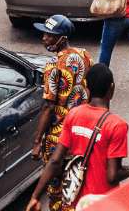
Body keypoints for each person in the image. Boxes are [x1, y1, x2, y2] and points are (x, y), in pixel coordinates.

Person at [24, 64, 129, 211]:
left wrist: (35, 196)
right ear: (111, 88)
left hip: (77, 204)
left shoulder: (74, 114)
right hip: (102, 203)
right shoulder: (116, 125)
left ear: (87, 89)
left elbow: (55, 161)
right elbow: (112, 176)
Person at [29, 13, 91, 208]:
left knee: (55, 185)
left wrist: (38, 141)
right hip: (82, 129)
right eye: (44, 34)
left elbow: (48, 107)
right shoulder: (83, 55)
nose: (44, 38)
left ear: (62, 38)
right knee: (78, 179)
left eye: (49, 35)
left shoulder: (53, 67)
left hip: (59, 135)